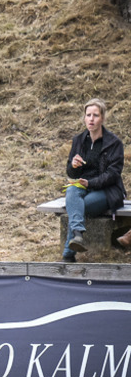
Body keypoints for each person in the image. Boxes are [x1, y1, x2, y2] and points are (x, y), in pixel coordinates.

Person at [62, 99, 126, 261]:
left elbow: (113, 175)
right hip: (82, 185)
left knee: (77, 207)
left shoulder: (114, 143)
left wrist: (91, 183)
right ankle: (77, 235)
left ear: (102, 118)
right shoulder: (79, 140)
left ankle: (68, 255)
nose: (91, 119)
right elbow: (71, 172)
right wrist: (74, 166)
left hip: (107, 190)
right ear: (84, 118)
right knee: (71, 191)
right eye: (88, 115)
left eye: (95, 115)